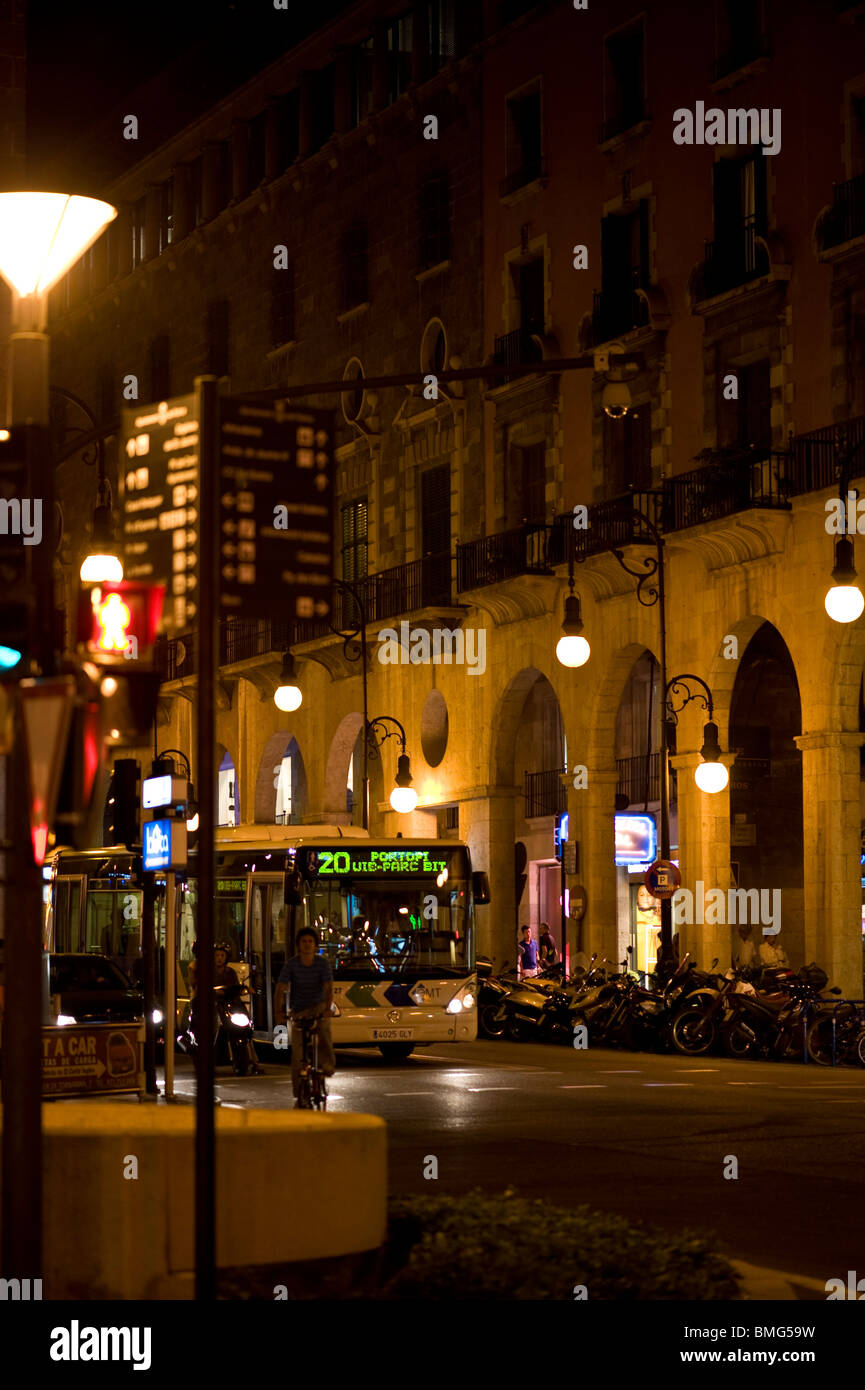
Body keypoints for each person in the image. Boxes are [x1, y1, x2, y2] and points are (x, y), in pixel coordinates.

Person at [274, 926, 335, 1107]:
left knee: (324, 1031)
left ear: (315, 944)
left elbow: (328, 988)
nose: (307, 945)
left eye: (310, 941)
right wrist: (279, 1013)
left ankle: (327, 1064)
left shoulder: (322, 963)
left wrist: (326, 1009)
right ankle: (298, 1091)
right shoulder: (291, 964)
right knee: (297, 1053)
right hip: (299, 1010)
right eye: (303, 942)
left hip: (318, 1007)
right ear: (298, 945)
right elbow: (280, 989)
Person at [188, 940, 263, 1075]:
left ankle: (255, 1062)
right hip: (213, 1005)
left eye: (222, 955)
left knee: (247, 1029)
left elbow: (235, 987)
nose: (219, 958)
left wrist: (245, 989)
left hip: (230, 1005)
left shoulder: (231, 972)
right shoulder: (207, 972)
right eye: (217, 955)